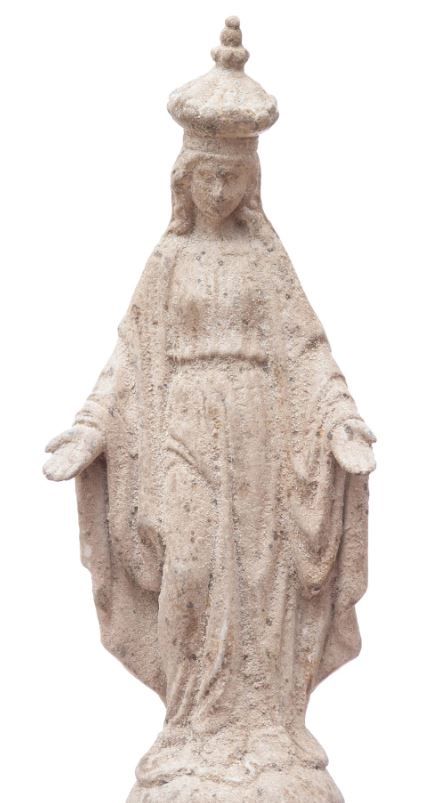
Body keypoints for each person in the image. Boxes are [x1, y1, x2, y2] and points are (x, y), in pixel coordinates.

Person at [44, 17, 375, 801]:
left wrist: (339, 421)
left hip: (257, 431)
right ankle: (191, 726)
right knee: (188, 571)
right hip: (185, 427)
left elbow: (306, 351)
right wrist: (89, 430)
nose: (219, 192)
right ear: (185, 177)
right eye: (207, 178)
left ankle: (264, 727)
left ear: (249, 179)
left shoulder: (266, 260)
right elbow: (129, 358)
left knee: (260, 581)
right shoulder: (168, 259)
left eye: (232, 178)